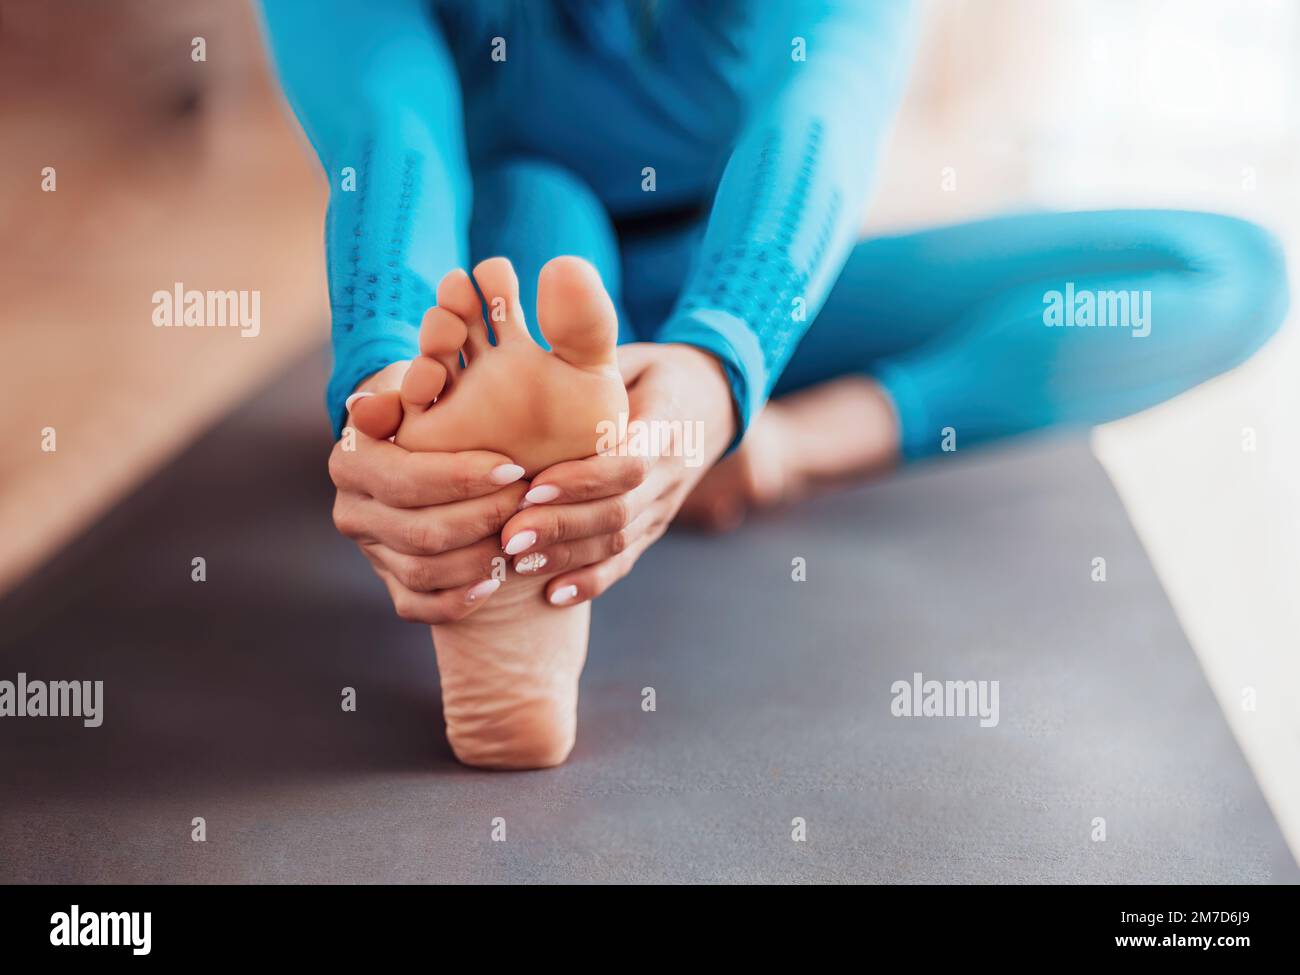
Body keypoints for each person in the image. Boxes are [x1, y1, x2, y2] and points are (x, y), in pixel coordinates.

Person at [259, 0, 1289, 768]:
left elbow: (819, 112)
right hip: (518, 281)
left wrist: (721, 366)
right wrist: (384, 382)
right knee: (540, 206)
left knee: (1231, 267)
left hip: (728, 288)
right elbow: (389, 135)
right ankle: (506, 473)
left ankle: (757, 451)